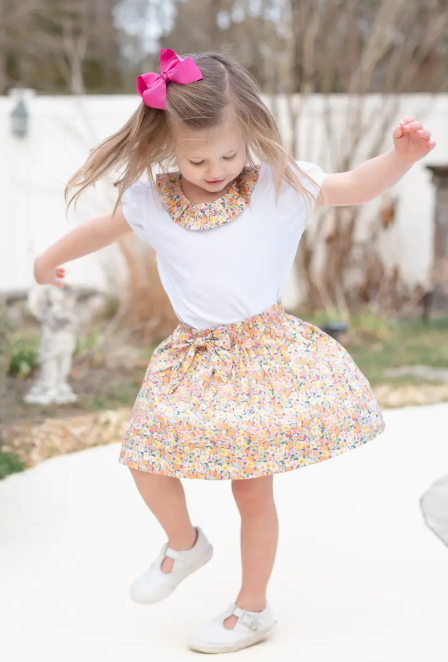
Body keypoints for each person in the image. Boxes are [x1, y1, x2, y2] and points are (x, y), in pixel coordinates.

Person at [34, 49, 435, 655]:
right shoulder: (152, 199)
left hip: (259, 355)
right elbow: (102, 227)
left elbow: (354, 186)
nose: (215, 168)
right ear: (168, 144)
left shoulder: (281, 184)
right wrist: (48, 258)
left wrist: (400, 159)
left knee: (251, 491)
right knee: (145, 455)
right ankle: (184, 543)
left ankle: (253, 609)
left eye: (229, 153)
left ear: (251, 132)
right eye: (196, 158)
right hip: (191, 357)